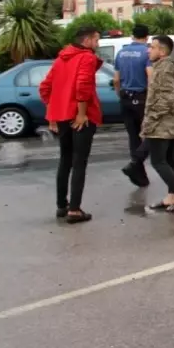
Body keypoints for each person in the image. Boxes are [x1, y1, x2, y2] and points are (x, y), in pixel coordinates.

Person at [38, 26, 103, 223]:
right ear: (87, 40)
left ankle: (61, 205)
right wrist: (82, 114)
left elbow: (45, 88)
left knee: (65, 159)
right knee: (79, 162)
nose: (97, 44)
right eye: (96, 40)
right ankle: (74, 210)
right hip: (80, 116)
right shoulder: (87, 58)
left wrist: (52, 115)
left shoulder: (61, 59)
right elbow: (82, 86)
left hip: (62, 116)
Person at [141, 35, 174, 212]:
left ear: (162, 52)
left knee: (158, 161)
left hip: (162, 125)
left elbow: (166, 98)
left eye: (152, 47)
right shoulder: (163, 67)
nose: (149, 50)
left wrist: (151, 119)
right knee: (170, 160)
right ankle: (171, 196)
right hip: (169, 123)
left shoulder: (164, 69)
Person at [114, 24, 151, 187]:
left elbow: (116, 79)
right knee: (151, 134)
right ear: (147, 37)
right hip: (141, 98)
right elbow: (150, 76)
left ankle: (140, 177)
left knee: (133, 137)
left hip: (125, 98)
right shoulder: (146, 52)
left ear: (132, 36)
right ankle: (135, 165)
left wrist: (119, 94)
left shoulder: (121, 53)